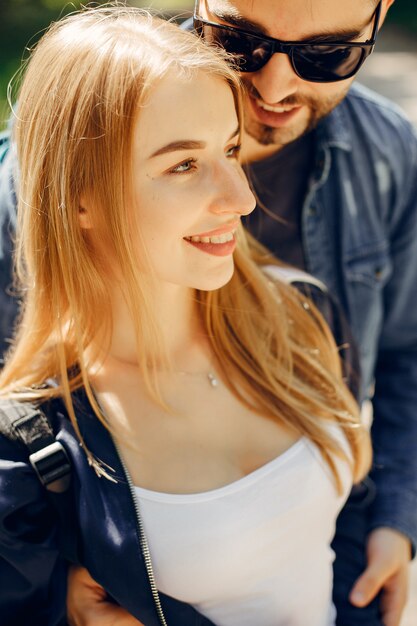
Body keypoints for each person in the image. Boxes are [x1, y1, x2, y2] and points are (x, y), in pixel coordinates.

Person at [0, 5, 372, 626]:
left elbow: (347, 518)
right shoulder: (33, 450)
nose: (241, 199)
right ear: (78, 198)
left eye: (230, 150)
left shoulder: (301, 311)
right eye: (183, 165)